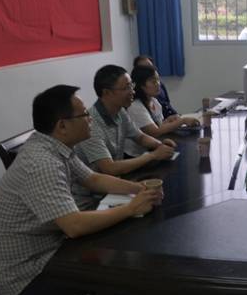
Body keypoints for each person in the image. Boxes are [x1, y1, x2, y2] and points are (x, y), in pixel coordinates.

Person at [0, 85, 162, 295]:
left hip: (49, 244)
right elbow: (74, 226)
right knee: (116, 274)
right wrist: (131, 208)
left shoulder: (54, 145)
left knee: (116, 256)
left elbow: (93, 179)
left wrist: (138, 188)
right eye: (85, 114)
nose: (90, 119)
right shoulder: (42, 163)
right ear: (62, 125)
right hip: (25, 274)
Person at [74, 65, 175, 209]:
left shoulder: (120, 112)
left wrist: (160, 145)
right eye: (126, 87)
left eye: (131, 85)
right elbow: (110, 168)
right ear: (107, 93)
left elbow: (140, 137)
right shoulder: (91, 124)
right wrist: (152, 156)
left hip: (114, 188)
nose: (133, 91)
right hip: (91, 200)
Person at [125, 65, 199, 157]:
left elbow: (159, 127)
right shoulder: (135, 106)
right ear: (141, 85)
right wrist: (182, 121)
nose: (158, 84)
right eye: (153, 81)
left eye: (158, 80)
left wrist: (168, 120)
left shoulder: (154, 102)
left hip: (152, 149)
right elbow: (154, 132)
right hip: (136, 155)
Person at [134, 55, 178, 119]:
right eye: (143, 68)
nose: (157, 84)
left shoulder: (155, 100)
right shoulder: (136, 105)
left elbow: (168, 105)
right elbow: (154, 126)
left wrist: (177, 118)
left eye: (150, 66)